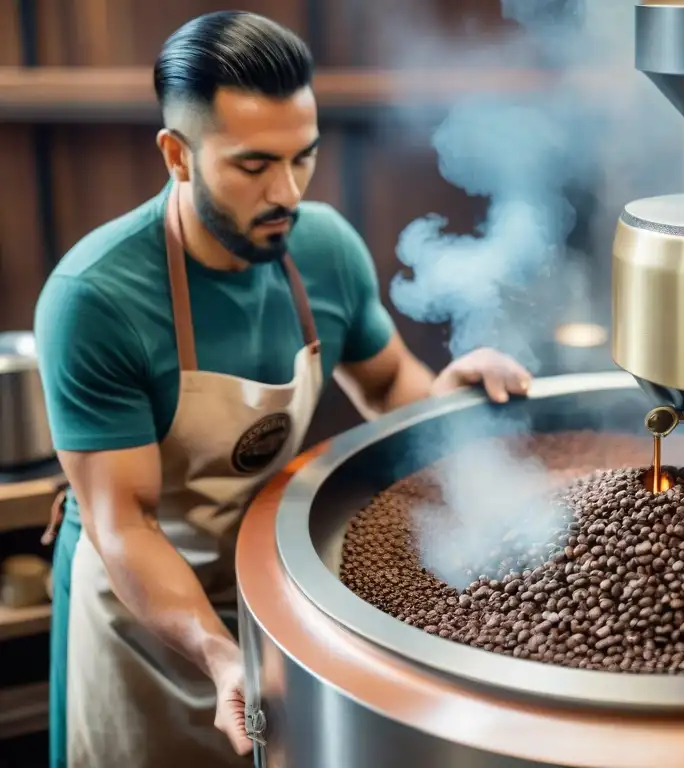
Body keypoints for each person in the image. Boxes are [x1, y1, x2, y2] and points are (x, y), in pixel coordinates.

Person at [34, 11, 532, 768]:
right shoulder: (94, 298)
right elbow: (125, 521)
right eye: (254, 165)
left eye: (304, 158)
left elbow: (389, 378)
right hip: (136, 615)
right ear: (178, 155)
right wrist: (220, 653)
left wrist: (445, 406)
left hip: (265, 585)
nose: (288, 193)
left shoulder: (324, 246)